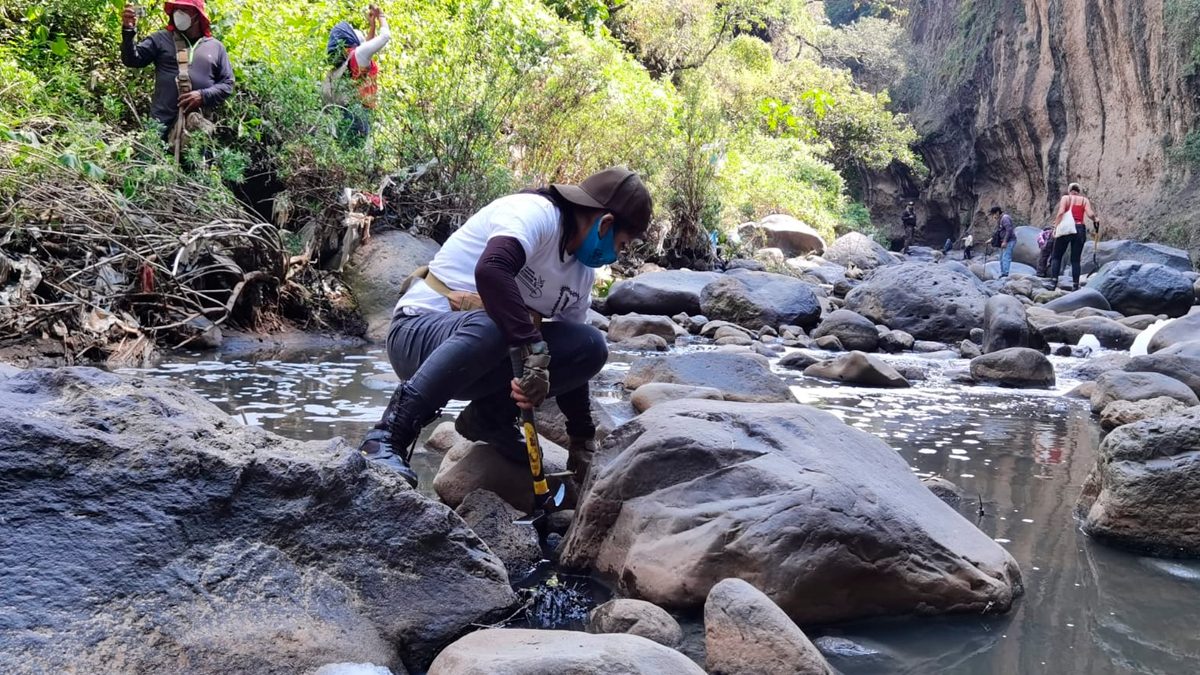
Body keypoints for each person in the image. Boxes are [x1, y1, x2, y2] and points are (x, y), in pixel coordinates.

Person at [358, 167, 651, 487]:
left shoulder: (580, 275)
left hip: (481, 360)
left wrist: (581, 438)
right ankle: (386, 437)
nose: (617, 255)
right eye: (622, 244)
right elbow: (492, 271)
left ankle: (489, 420)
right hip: (418, 338)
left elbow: (575, 361)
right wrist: (533, 348)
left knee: (590, 346)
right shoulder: (534, 214)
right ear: (605, 223)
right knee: (500, 322)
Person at [121, 0, 234, 141]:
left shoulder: (216, 47)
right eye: (176, 9)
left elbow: (227, 84)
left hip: (196, 128)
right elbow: (132, 60)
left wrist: (203, 95)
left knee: (193, 161)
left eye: (185, 9)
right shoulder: (161, 39)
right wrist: (128, 31)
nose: (179, 13)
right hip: (160, 125)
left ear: (197, 15)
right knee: (151, 161)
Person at [325, 5, 391, 142]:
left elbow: (365, 48)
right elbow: (385, 36)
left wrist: (372, 26)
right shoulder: (358, 55)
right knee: (359, 153)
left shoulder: (347, 60)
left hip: (344, 113)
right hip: (358, 113)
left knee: (347, 153)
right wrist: (381, 16)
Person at [1050, 183, 1099, 290]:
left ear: (1069, 190)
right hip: (1079, 229)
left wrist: (1056, 226)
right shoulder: (1084, 200)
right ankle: (1075, 285)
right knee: (1075, 260)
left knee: (1057, 256)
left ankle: (1053, 282)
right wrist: (1095, 219)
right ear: (1078, 191)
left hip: (1066, 229)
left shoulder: (1066, 198)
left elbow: (1061, 212)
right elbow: (1090, 214)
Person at [989, 206, 1016, 277]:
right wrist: (992, 239)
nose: (993, 216)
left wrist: (1005, 241)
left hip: (1009, 241)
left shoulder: (1005, 218)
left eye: (993, 214)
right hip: (1003, 241)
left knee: (1006, 257)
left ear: (997, 212)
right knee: (1001, 258)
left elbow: (1009, 230)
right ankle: (1003, 273)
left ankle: (1005, 274)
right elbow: (998, 231)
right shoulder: (1000, 219)